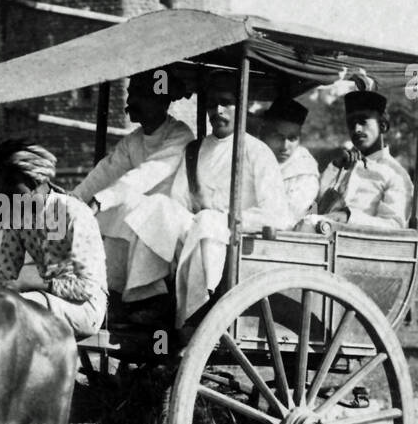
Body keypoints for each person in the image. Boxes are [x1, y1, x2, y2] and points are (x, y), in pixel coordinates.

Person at [117, 86, 291, 325]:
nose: (217, 111)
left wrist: (230, 216)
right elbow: (178, 200)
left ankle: (199, 307)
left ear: (241, 107)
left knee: (208, 221)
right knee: (156, 205)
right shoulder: (195, 149)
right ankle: (150, 297)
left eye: (226, 102)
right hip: (195, 228)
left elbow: (277, 214)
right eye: (212, 104)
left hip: (234, 237)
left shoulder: (257, 152)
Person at [72, 69, 193, 291]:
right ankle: (107, 290)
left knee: (133, 208)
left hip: (171, 218)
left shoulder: (179, 134)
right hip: (140, 213)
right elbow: (105, 172)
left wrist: (102, 200)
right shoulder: (133, 141)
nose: (130, 101)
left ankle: (149, 295)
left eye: (140, 95)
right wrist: (74, 200)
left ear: (161, 102)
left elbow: (148, 173)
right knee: (107, 215)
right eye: (130, 93)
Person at [0, 140, 108, 338]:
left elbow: (87, 287)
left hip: (85, 309)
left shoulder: (73, 212)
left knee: (13, 309)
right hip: (45, 300)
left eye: (10, 182)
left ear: (34, 180)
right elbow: (3, 275)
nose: (3, 190)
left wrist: (31, 285)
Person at [301, 89, 414, 231]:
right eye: (351, 123)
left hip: (360, 247)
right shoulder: (344, 165)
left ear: (383, 124)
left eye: (363, 121)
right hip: (322, 236)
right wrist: (335, 168)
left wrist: (349, 217)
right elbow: (315, 204)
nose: (356, 129)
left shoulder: (395, 175)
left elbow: (394, 225)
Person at [259, 97, 319, 227]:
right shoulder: (255, 156)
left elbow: (288, 217)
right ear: (264, 135)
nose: (285, 146)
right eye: (278, 137)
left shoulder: (304, 172)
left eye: (292, 138)